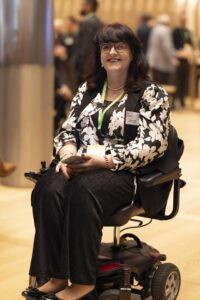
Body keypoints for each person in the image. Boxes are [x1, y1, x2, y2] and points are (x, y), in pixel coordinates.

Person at [22, 23, 170, 300]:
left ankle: (83, 281)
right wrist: (67, 154)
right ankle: (54, 276)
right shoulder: (88, 90)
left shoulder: (150, 93)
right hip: (81, 165)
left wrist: (103, 161)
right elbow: (68, 129)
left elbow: (153, 144)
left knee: (82, 190)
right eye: (106, 47)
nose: (112, 52)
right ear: (99, 54)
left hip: (125, 172)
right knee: (46, 187)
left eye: (120, 46)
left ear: (133, 53)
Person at [75, 0, 103, 85]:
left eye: (83, 5)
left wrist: (80, 66)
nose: (82, 8)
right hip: (96, 63)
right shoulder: (99, 22)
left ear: (89, 6)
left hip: (86, 65)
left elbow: (85, 48)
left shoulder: (87, 23)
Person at [147, 14, 178, 85]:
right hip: (162, 63)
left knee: (157, 84)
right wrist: (172, 59)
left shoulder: (155, 29)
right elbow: (167, 47)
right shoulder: (165, 30)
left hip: (154, 61)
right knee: (164, 86)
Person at [173, 14, 193, 107]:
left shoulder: (188, 31)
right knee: (178, 81)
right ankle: (176, 101)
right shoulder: (176, 31)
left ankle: (182, 100)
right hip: (178, 59)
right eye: (183, 20)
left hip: (186, 59)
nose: (184, 21)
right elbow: (173, 45)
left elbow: (190, 43)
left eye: (185, 20)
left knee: (185, 81)